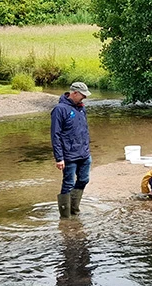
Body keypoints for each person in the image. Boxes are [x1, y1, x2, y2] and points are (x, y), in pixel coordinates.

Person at [51, 82, 92, 218]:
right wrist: (59, 158)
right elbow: (55, 135)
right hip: (69, 155)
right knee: (68, 184)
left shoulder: (81, 108)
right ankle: (65, 216)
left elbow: (83, 130)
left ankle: (74, 209)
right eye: (82, 95)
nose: (84, 98)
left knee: (84, 179)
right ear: (74, 93)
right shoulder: (59, 109)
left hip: (84, 153)